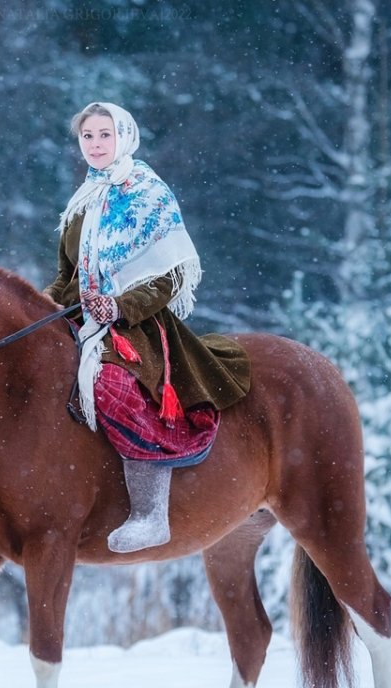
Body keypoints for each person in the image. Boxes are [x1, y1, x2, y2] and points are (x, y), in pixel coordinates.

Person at [43, 102, 251, 553]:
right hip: (81, 315)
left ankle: (150, 512)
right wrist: (40, 307)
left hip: (136, 323)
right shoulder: (82, 201)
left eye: (104, 135)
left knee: (112, 384)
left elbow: (171, 275)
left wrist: (118, 307)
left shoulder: (149, 193)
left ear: (123, 136)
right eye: (88, 137)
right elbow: (67, 276)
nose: (95, 145)